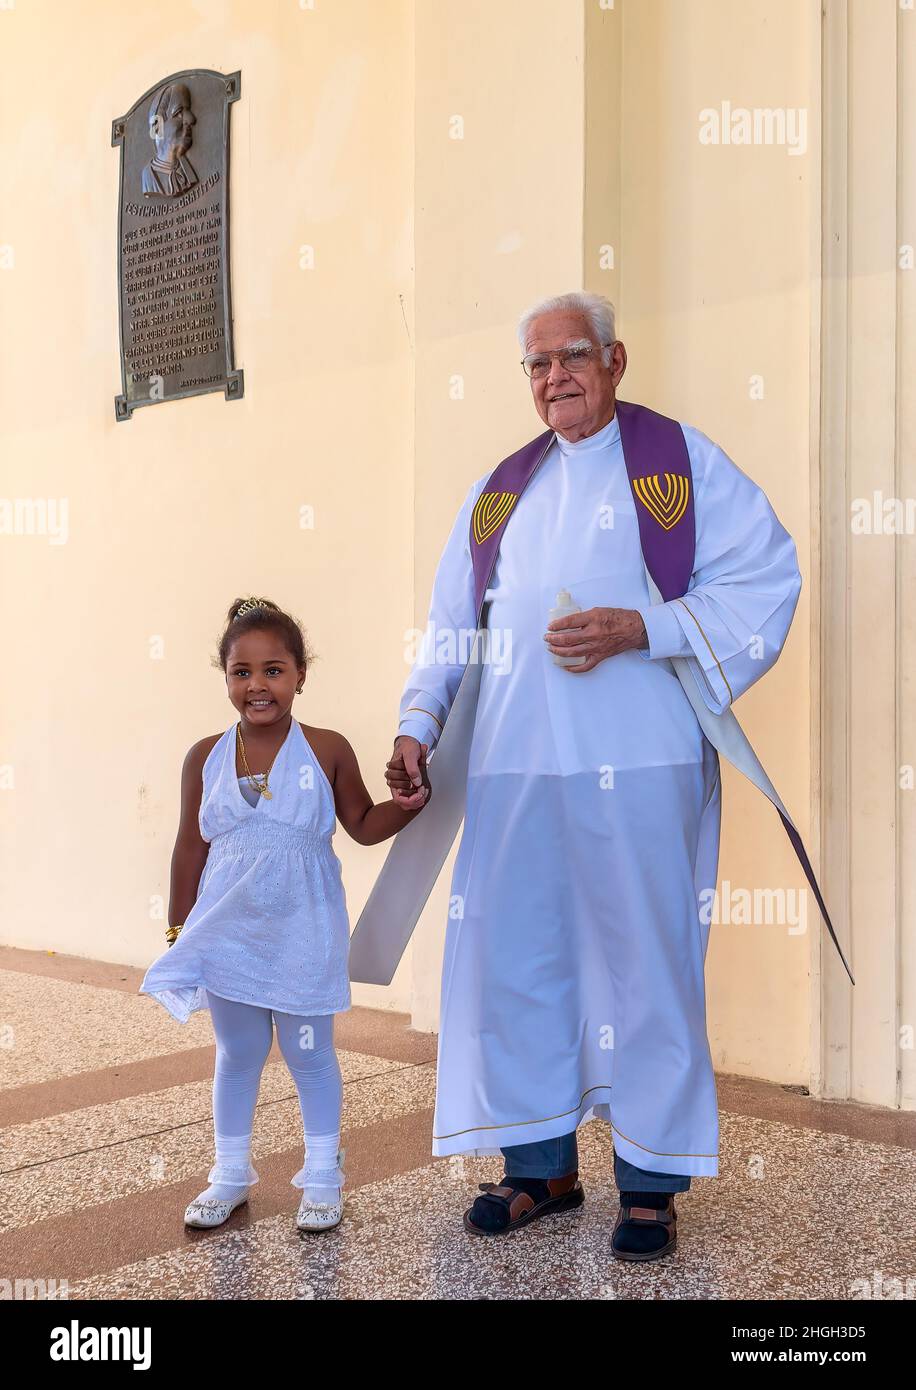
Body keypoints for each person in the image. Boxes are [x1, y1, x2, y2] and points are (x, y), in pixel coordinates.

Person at [384, 291, 802, 1261]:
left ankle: (649, 1185)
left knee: (645, 966)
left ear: (615, 360)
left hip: (640, 759)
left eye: (572, 356)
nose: (553, 377)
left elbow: (765, 577)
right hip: (515, 767)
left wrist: (641, 627)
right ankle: (541, 1169)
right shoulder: (500, 489)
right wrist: (417, 720)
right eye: (536, 364)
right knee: (518, 965)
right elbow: (454, 618)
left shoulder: (679, 463)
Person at [140, 596, 429, 1232]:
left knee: (310, 1054)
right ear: (225, 679)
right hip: (229, 931)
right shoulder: (205, 756)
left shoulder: (325, 748)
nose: (257, 685)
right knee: (237, 1053)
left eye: (273, 670)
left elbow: (361, 824)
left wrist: (406, 805)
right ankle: (230, 1174)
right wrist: (177, 928)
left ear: (300, 674)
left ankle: (323, 1177)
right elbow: (190, 845)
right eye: (241, 672)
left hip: (304, 927)